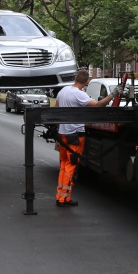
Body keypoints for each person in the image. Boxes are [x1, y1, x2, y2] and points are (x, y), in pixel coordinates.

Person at [54, 69, 122, 207]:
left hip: (63, 134)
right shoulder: (79, 95)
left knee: (64, 165)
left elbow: (56, 109)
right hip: (75, 135)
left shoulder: (63, 91)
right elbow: (99, 105)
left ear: (75, 78)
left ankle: (62, 196)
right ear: (86, 82)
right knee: (71, 166)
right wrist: (113, 94)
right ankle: (63, 199)